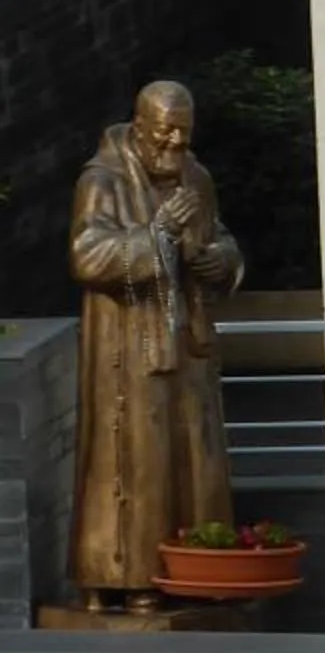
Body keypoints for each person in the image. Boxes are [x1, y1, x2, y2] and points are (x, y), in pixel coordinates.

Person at [67, 82, 243, 612]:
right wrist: (157, 234)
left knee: (197, 458)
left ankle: (203, 568)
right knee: (139, 462)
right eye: (166, 130)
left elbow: (221, 236)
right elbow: (86, 256)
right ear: (140, 126)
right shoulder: (102, 181)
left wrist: (223, 259)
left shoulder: (195, 176)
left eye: (184, 131)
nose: (176, 142)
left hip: (189, 344)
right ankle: (134, 579)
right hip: (129, 350)